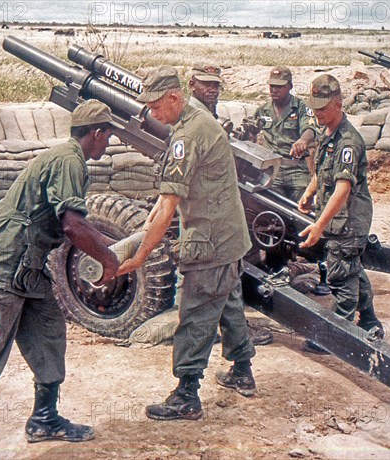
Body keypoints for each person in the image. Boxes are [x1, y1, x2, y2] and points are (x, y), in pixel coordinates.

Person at [0, 100, 120, 459]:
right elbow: (72, 225)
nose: (108, 144)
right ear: (97, 132)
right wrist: (107, 258)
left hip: (27, 268)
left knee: (48, 333)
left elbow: (69, 222)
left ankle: (44, 419)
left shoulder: (70, 159)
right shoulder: (68, 161)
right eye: (108, 136)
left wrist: (107, 248)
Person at [117, 66, 256, 420]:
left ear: (174, 98)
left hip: (208, 241)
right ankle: (242, 371)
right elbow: (166, 199)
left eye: (155, 106)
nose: (151, 113)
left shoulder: (187, 136)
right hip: (230, 238)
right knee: (228, 302)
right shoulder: (196, 121)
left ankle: (187, 395)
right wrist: (151, 219)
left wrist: (140, 256)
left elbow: (168, 205)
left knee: (194, 314)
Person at [188, 61, 274, 346]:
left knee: (227, 279)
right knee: (209, 278)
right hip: (204, 211)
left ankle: (230, 340)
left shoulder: (208, 115)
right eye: (205, 84)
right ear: (192, 84)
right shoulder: (193, 116)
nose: (212, 90)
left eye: (215, 85)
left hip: (222, 207)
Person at [298, 74, 383, 353]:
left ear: (338, 104)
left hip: (348, 221)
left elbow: (342, 189)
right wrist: (310, 193)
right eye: (315, 108)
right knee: (352, 269)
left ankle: (337, 335)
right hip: (340, 217)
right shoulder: (328, 134)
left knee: (339, 276)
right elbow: (324, 173)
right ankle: (370, 321)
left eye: (323, 108)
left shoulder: (348, 141)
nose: (317, 113)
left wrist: (318, 226)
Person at [253, 66, 317, 203]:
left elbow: (310, 129)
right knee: (272, 211)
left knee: (302, 210)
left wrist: (303, 141)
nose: (274, 90)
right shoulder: (262, 110)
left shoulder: (301, 107)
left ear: (290, 86)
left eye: (279, 86)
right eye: (272, 86)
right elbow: (250, 131)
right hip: (271, 170)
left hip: (296, 169)